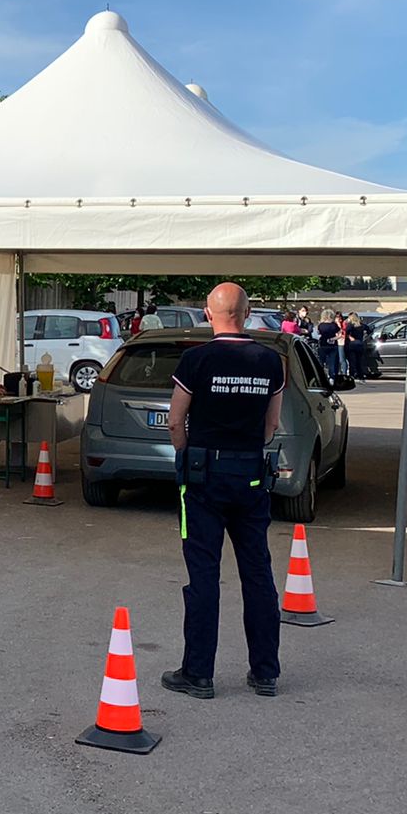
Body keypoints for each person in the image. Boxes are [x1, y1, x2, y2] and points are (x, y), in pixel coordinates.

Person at [162, 282, 285, 700]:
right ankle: (265, 672)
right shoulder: (272, 360)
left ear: (206, 313)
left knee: (203, 575)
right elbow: (271, 425)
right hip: (250, 476)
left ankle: (199, 674)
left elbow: (176, 420)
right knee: (257, 572)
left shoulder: (196, 359)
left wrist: (185, 458)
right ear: (247, 314)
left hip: (203, 477)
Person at [315, 309, 341, 380]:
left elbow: (317, 333)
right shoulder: (334, 325)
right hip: (332, 345)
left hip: (323, 344)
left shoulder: (320, 325)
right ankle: (331, 377)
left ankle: (320, 377)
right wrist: (333, 339)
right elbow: (340, 334)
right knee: (331, 363)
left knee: (321, 362)